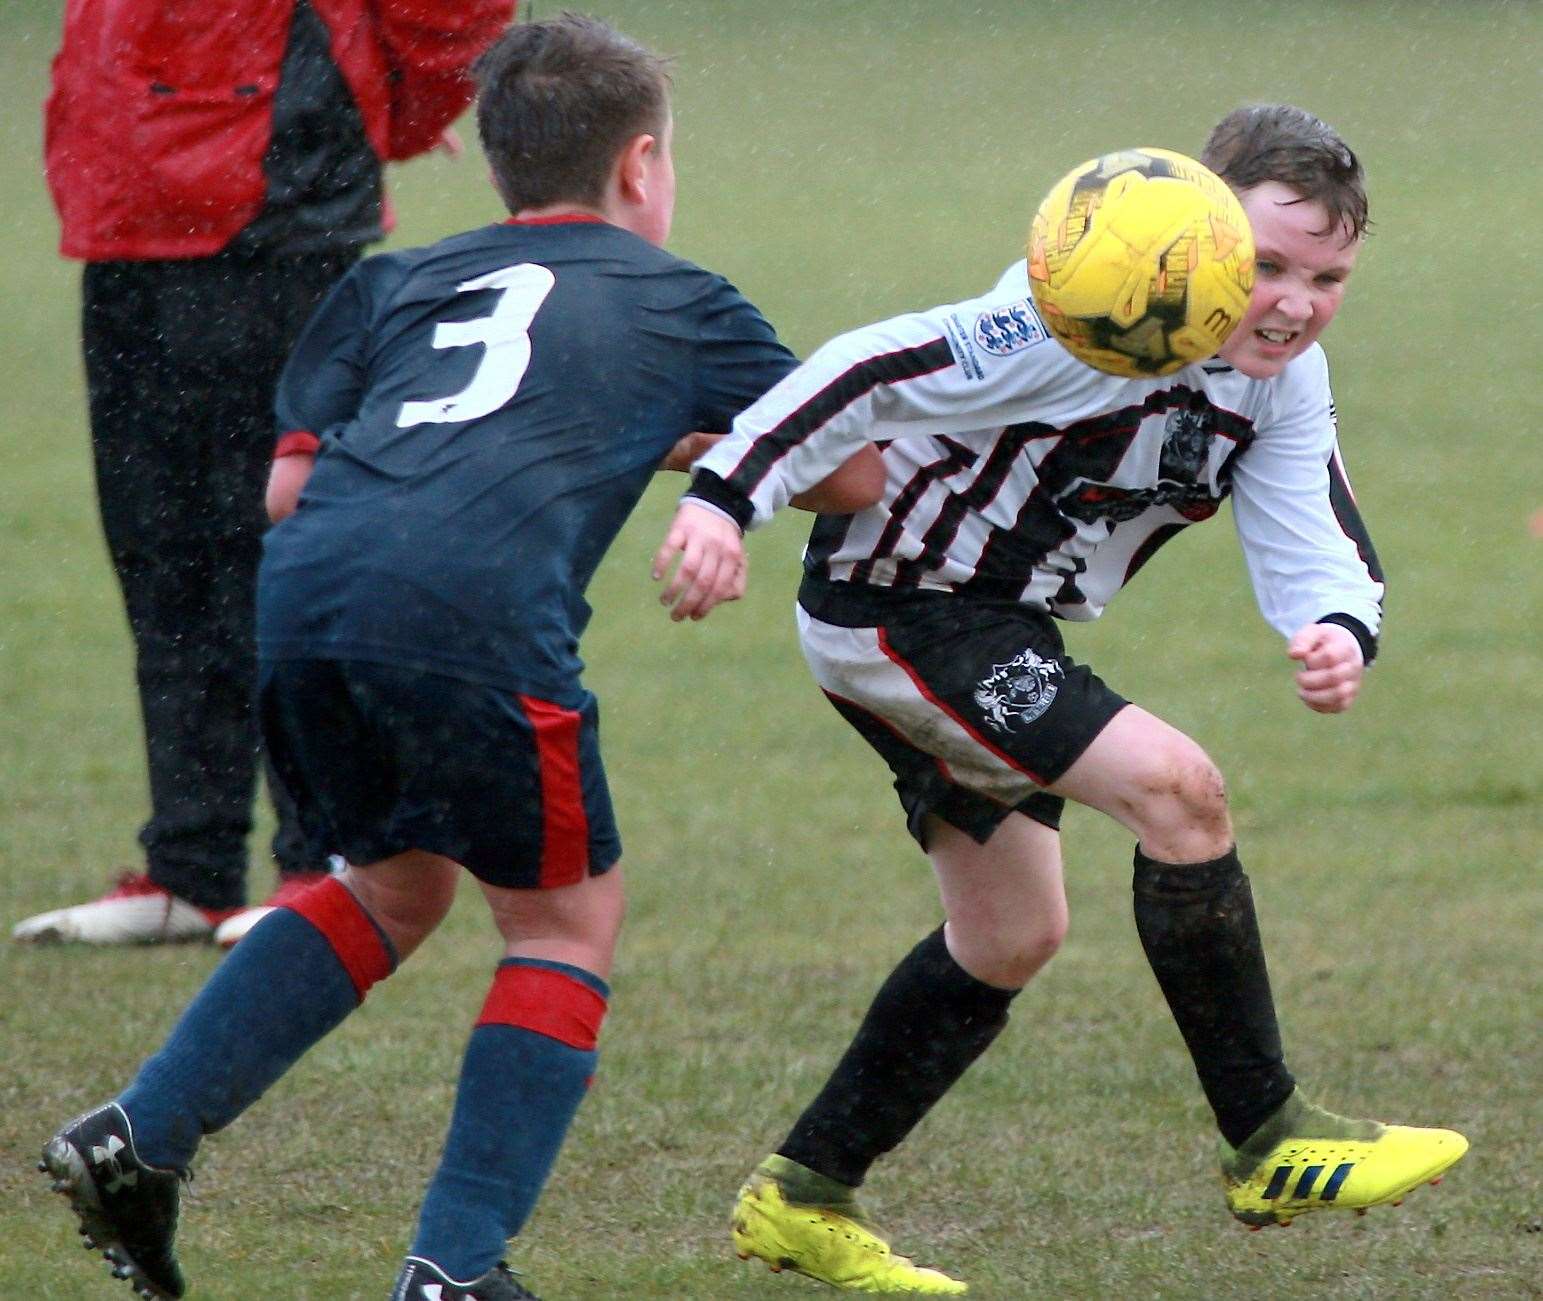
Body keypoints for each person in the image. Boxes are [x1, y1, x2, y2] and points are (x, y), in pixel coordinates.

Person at [38, 15, 881, 1301]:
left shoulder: (387, 281)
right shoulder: (684, 300)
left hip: (308, 601)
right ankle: (456, 1265)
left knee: (392, 886)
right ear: (642, 165)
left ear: (496, 161)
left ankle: (139, 1132)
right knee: (564, 920)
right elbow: (851, 471)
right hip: (473, 618)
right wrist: (665, 443)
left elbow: (281, 496)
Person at [653, 105, 1470, 1294]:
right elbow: (867, 366)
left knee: (1010, 933)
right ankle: (1269, 1136)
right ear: (1189, 238)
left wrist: (1337, 627)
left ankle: (802, 1195)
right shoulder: (1081, 314)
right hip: (899, 603)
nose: (1294, 301)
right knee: (1178, 792)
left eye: (1328, 275)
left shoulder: (1282, 383)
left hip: (993, 625)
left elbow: (1313, 524)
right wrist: (726, 498)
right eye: (1269, 267)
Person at [14, 0, 512, 949]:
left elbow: (455, 11)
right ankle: (189, 870)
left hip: (272, 222)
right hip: (124, 219)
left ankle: (316, 859)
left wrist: (382, 112)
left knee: (288, 553)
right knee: (162, 559)